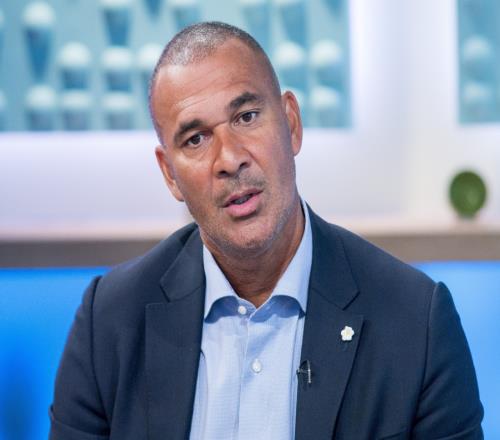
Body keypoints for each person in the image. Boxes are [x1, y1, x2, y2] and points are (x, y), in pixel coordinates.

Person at [49, 22, 483, 440]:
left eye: (247, 116)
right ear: (169, 175)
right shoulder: (109, 321)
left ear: (291, 123)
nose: (229, 159)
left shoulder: (415, 321)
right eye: (196, 139)